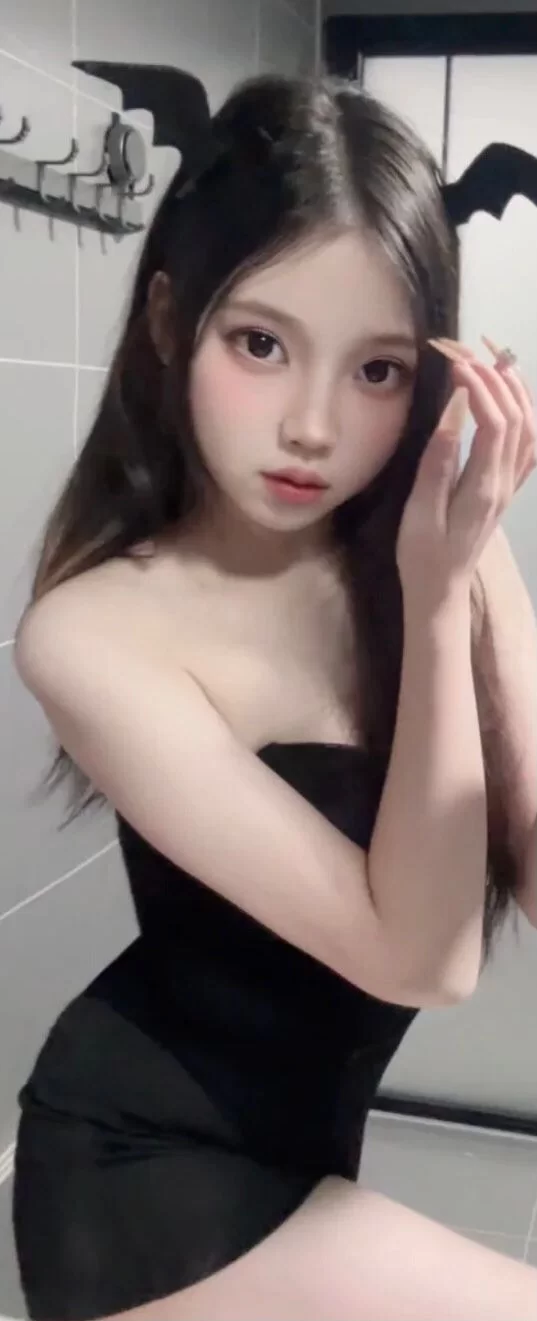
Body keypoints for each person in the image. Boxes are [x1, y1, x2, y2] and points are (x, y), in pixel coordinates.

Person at [11, 68, 537, 1321]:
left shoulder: (445, 540)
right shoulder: (91, 633)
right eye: (261, 344)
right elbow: (423, 958)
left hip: (306, 1157)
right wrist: (436, 592)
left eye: (378, 371)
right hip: (142, 1170)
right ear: (168, 321)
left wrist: (462, 575)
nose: (312, 426)